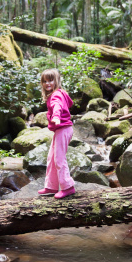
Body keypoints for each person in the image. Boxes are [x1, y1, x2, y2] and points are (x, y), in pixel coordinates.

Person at [38, 69, 76, 199]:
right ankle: (51, 186)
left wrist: (56, 117)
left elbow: (57, 106)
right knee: (52, 157)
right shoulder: (59, 93)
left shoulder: (56, 95)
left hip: (63, 128)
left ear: (57, 80)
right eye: (45, 81)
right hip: (62, 129)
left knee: (59, 158)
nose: (48, 83)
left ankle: (68, 187)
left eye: (51, 80)